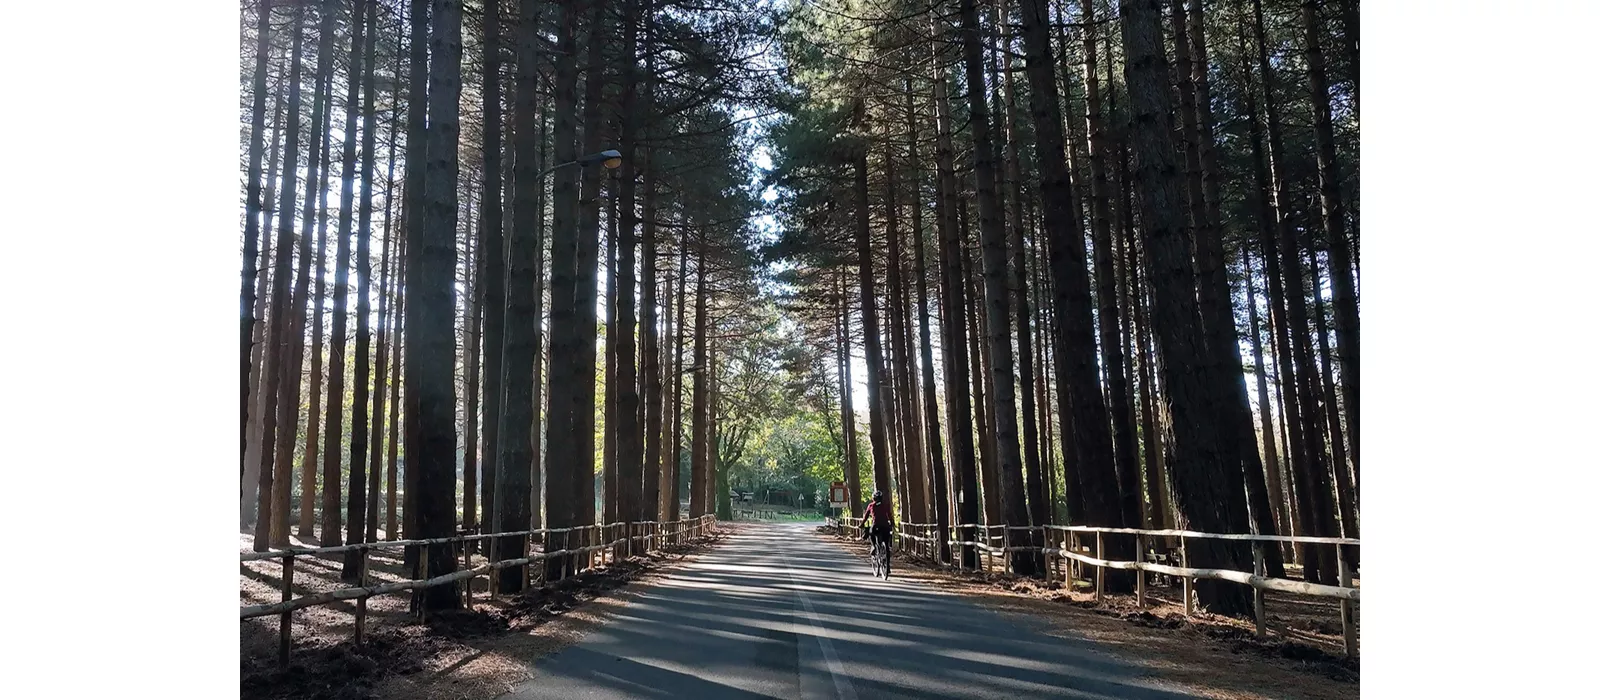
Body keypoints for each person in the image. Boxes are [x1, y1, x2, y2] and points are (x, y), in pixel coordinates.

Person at [859, 490, 891, 556]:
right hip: (885, 526)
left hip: (876, 525)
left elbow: (866, 517)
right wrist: (892, 523)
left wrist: (861, 524)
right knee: (887, 537)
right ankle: (887, 548)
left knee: (871, 533)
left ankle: (873, 546)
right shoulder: (885, 505)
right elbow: (889, 515)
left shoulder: (871, 505)